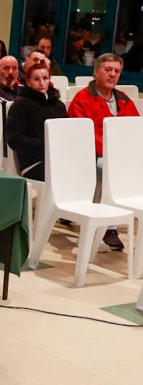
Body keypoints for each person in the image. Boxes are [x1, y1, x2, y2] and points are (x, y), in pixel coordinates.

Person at [68, 52, 140, 250]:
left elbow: (135, 131)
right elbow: (83, 138)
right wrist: (114, 153)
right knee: (105, 169)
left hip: (119, 157)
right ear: (96, 72)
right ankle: (109, 227)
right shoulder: (82, 99)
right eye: (108, 70)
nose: (112, 75)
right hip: (89, 158)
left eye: (116, 71)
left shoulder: (124, 100)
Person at [5, 63, 68, 181]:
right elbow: (14, 139)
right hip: (33, 163)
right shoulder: (20, 105)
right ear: (28, 82)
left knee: (82, 167)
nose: (42, 83)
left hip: (57, 158)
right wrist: (44, 144)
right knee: (63, 173)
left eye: (45, 78)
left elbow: (66, 132)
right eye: (36, 79)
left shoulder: (58, 105)